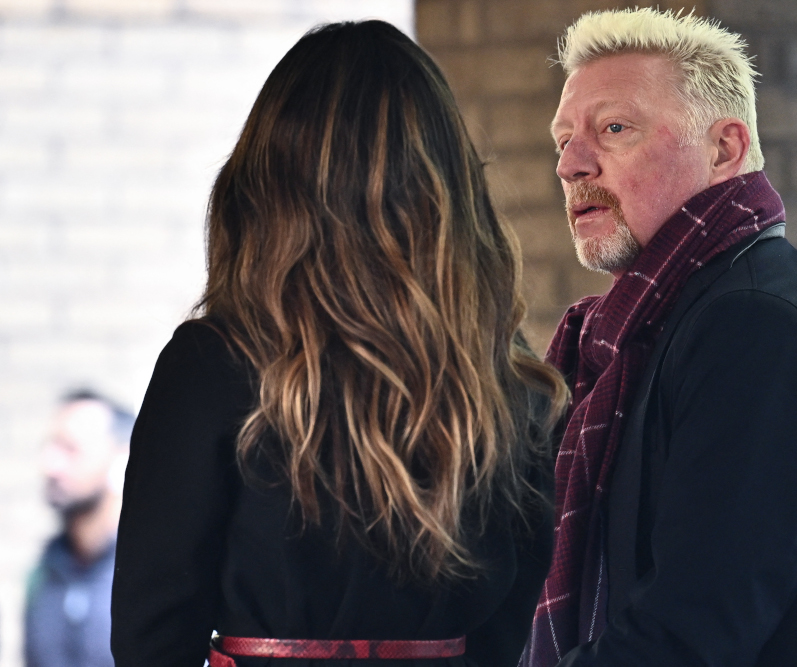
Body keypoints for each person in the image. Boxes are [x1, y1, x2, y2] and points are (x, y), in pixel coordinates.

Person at [110, 20, 567, 667]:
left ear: (269, 184)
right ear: (446, 186)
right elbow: (510, 624)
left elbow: (150, 632)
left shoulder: (211, 365)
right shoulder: (506, 374)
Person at [521, 8, 797, 667]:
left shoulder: (757, 327)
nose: (572, 164)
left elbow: (691, 636)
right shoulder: (640, 336)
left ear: (723, 149)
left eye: (613, 129)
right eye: (563, 140)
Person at [25, 390, 134, 667]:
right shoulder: (45, 570)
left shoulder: (145, 573)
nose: (50, 465)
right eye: (50, 448)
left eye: (70, 449)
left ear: (121, 461)